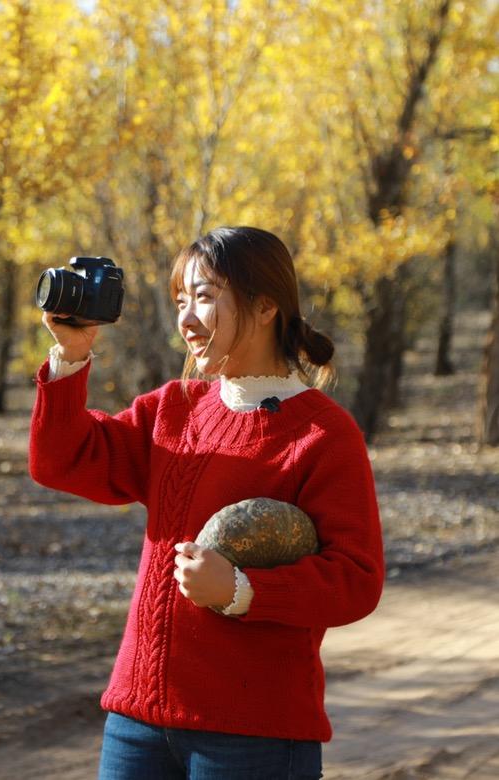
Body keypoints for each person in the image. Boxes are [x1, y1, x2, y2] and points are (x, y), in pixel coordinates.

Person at [28, 226, 384, 779]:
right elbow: (61, 461)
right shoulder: (173, 409)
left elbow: (356, 579)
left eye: (204, 297)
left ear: (265, 307)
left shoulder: (323, 434)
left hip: (254, 735)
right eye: (180, 300)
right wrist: (71, 356)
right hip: (136, 721)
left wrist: (243, 592)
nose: (186, 318)